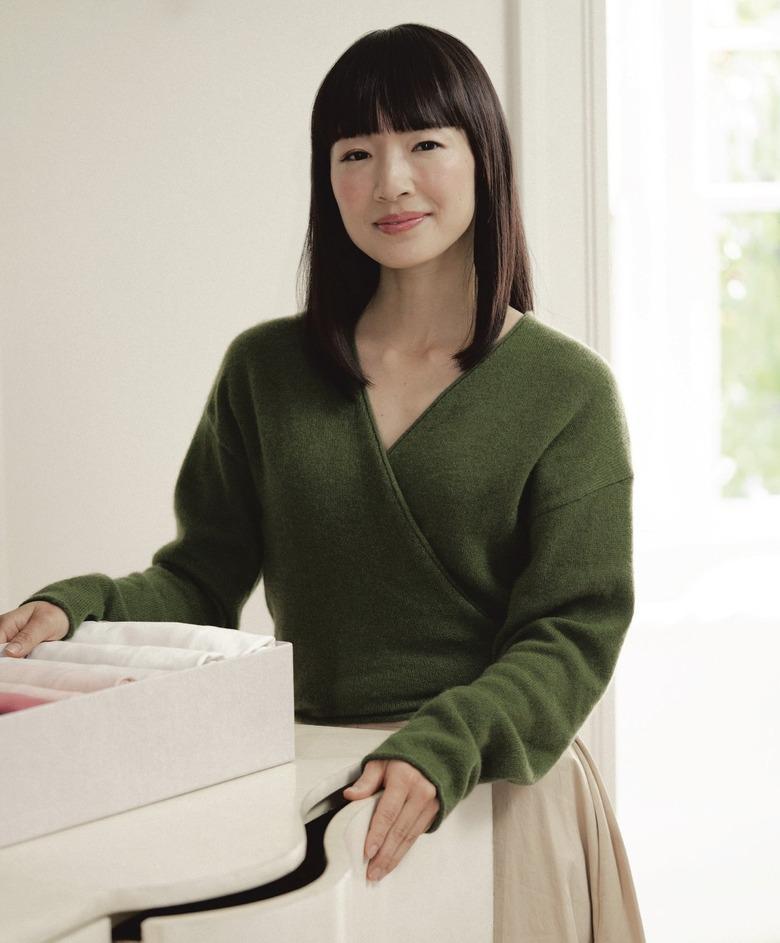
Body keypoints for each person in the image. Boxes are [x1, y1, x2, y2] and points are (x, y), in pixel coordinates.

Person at [0, 23, 646, 942]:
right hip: (311, 790)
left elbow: (575, 629)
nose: (390, 180)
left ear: (483, 158)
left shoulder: (568, 391)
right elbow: (198, 580)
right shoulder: (264, 369)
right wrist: (80, 608)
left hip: (493, 796)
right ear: (326, 176)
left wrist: (447, 744)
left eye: (424, 141)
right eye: (357, 151)